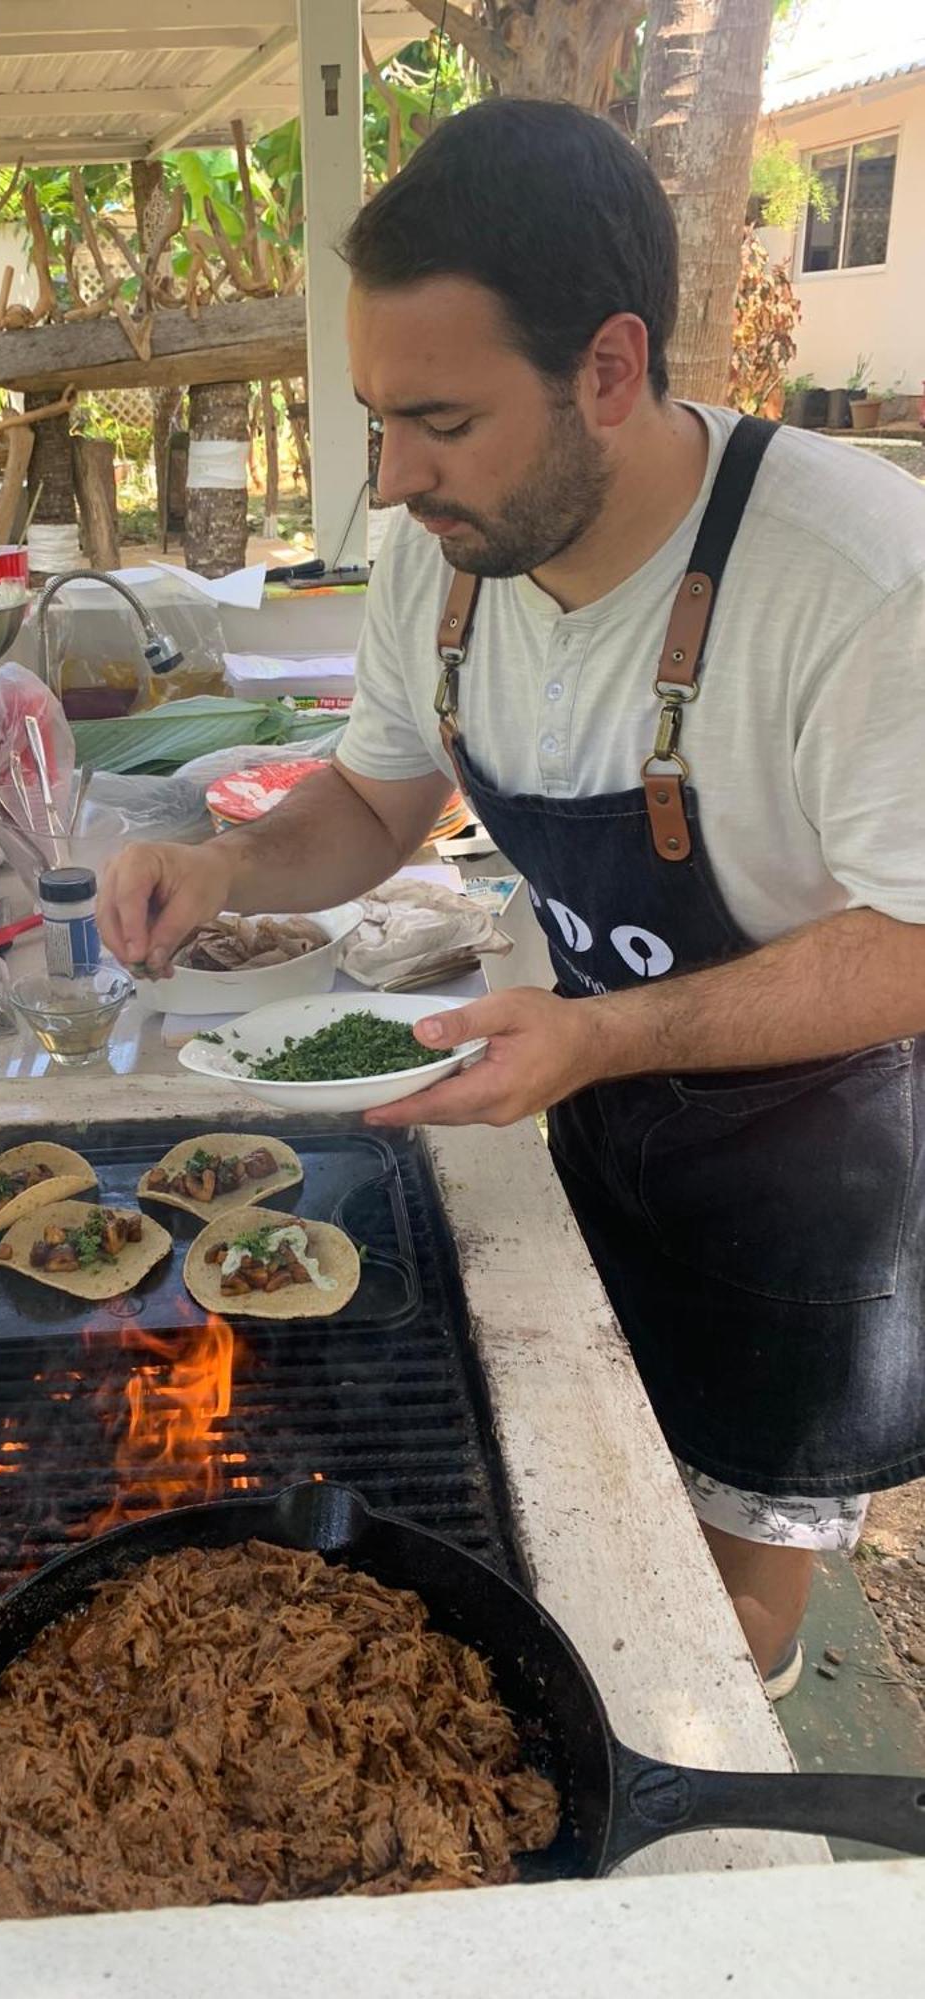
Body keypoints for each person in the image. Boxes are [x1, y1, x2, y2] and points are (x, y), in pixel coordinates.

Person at [99, 99, 925, 1699]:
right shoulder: (444, 556)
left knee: (710, 1638)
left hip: (810, 1169)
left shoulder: (861, 579)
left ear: (608, 371)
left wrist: (601, 1034)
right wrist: (224, 868)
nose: (393, 481)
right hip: (594, 1112)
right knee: (581, 1522)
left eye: (443, 422)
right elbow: (371, 802)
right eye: (373, 422)